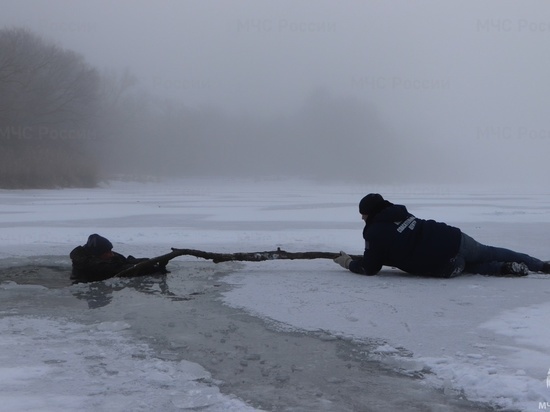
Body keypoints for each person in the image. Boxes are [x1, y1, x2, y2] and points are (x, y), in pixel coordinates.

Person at [334, 193, 550, 278]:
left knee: (467, 267)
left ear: (369, 213)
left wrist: (348, 263)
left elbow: (370, 268)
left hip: (445, 265)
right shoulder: (399, 211)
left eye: (363, 214)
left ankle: (504, 269)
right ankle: (539, 265)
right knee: (489, 251)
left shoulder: (374, 233)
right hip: (455, 238)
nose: (362, 218)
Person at [70, 234, 168, 283]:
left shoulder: (101, 255)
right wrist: (151, 268)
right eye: (107, 252)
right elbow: (119, 269)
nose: (111, 254)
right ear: (97, 254)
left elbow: (124, 261)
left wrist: (148, 261)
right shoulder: (91, 264)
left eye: (110, 251)